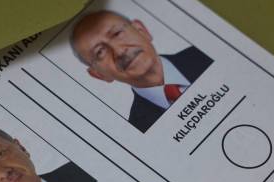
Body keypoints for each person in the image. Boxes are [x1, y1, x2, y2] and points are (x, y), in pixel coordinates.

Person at [70, 9, 213, 133]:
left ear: (141, 30)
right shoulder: (139, 129)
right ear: (99, 74)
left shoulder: (208, 53)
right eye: (100, 52)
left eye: (117, 33)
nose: (119, 51)